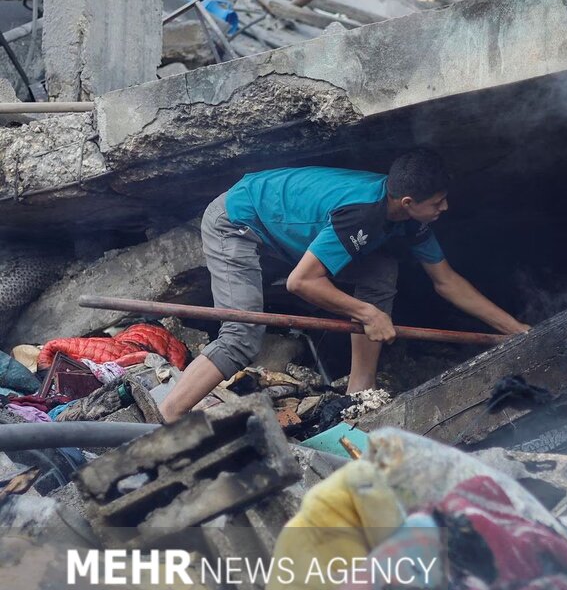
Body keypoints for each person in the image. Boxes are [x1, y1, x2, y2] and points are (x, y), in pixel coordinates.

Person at [158, 149, 528, 422]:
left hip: (286, 231)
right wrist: (369, 313)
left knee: (380, 270)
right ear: (408, 201)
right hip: (237, 220)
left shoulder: (408, 222)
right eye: (438, 201)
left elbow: (447, 281)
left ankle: (358, 398)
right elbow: (300, 282)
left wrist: (515, 331)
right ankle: (169, 415)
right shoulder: (362, 213)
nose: (445, 208)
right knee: (243, 331)